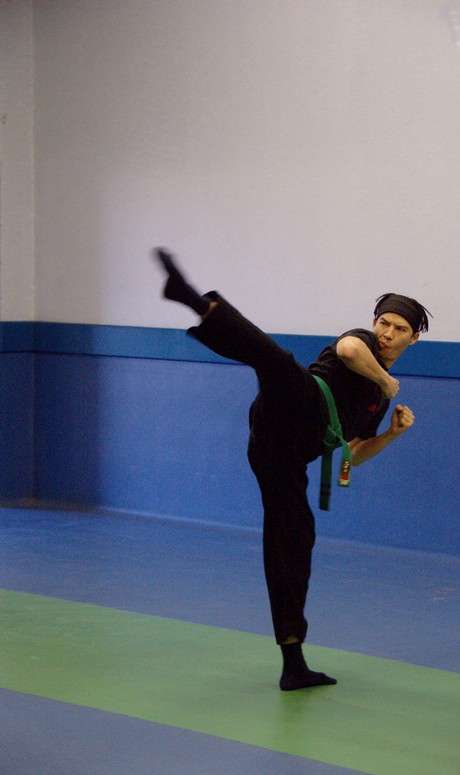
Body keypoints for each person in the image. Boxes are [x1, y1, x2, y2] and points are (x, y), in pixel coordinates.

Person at [154, 248, 431, 691]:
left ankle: (293, 662)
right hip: (297, 403)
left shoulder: (379, 402)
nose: (387, 333)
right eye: (384, 322)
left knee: (293, 540)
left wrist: (392, 434)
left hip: (286, 455)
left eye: (399, 329)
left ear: (413, 339)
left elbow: (353, 454)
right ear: (373, 322)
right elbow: (348, 350)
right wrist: (385, 379)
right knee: (279, 363)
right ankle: (193, 299)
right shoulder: (363, 344)